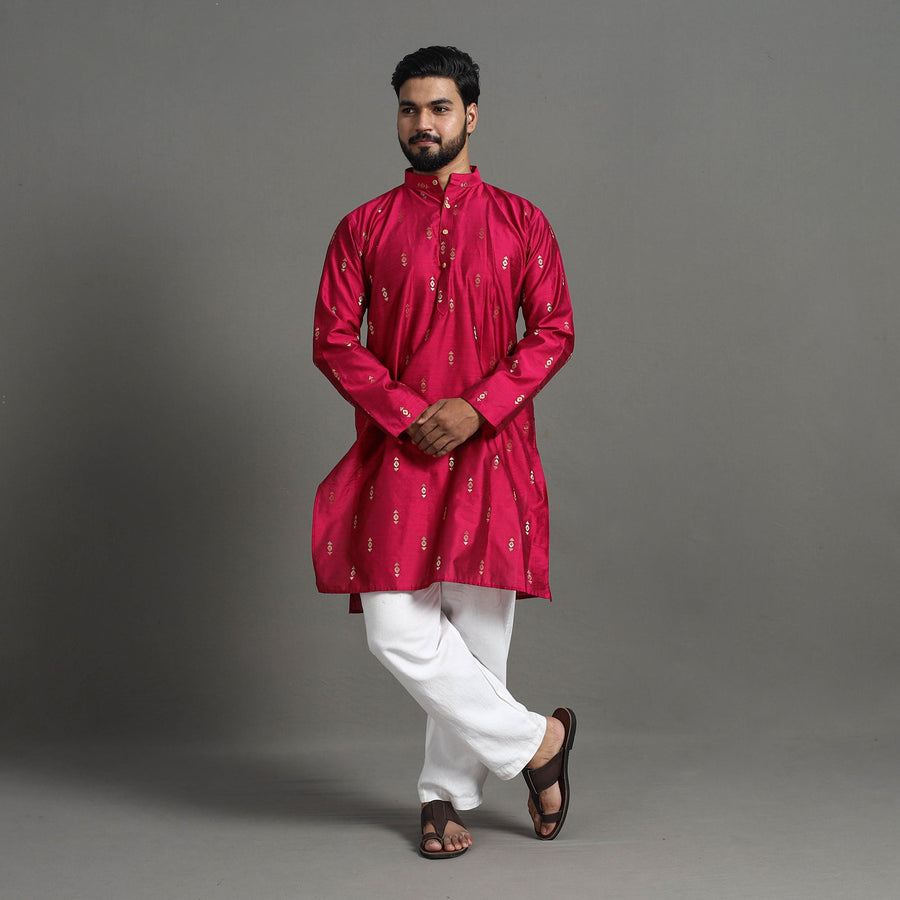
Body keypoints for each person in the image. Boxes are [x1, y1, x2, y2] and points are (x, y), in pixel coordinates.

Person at [312, 46, 576, 859]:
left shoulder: (523, 222)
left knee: (477, 641)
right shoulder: (364, 227)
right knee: (397, 630)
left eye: (438, 108)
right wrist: (408, 414)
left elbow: (554, 330)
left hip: (493, 450)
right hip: (401, 452)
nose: (422, 123)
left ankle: (443, 797)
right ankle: (538, 743)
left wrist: (477, 407)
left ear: (471, 115)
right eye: (409, 109)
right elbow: (333, 339)